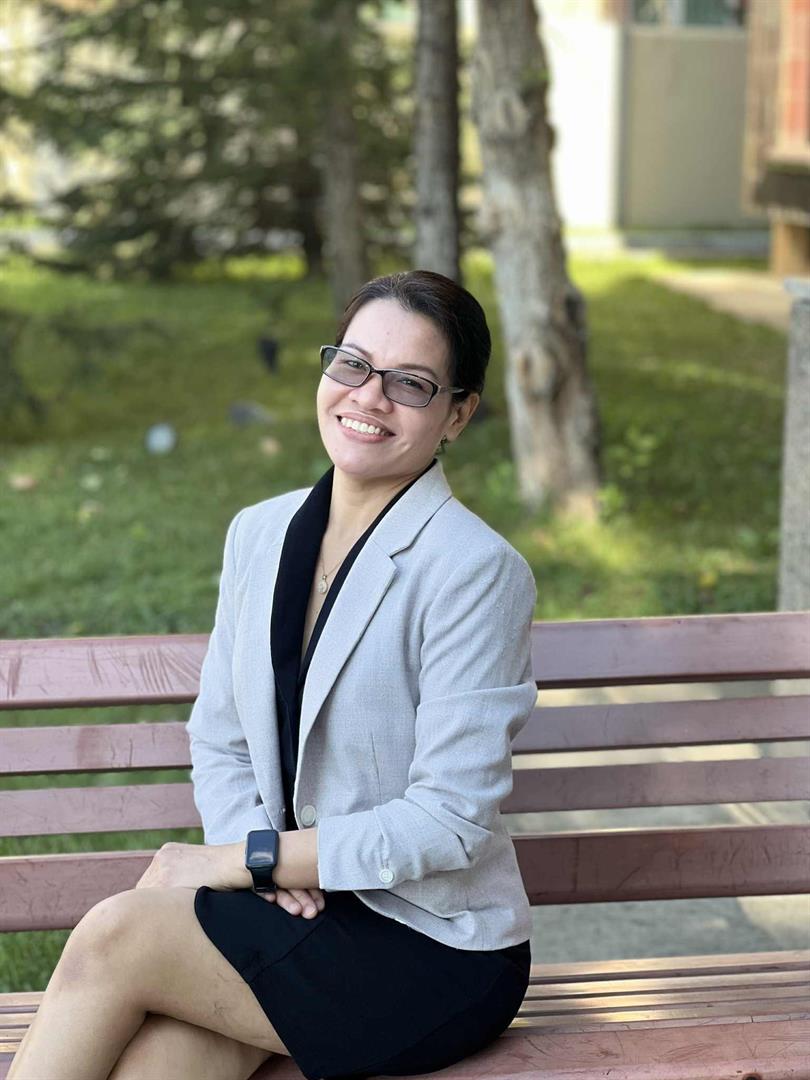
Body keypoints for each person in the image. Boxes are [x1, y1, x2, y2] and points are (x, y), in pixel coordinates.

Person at [8, 270, 538, 1080]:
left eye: (410, 383)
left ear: (457, 414)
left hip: (428, 944)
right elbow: (221, 739)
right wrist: (262, 868)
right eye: (352, 364)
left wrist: (244, 861)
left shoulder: (475, 570)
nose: (369, 396)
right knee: (159, 1064)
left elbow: (449, 821)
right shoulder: (259, 533)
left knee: (120, 934)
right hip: (289, 914)